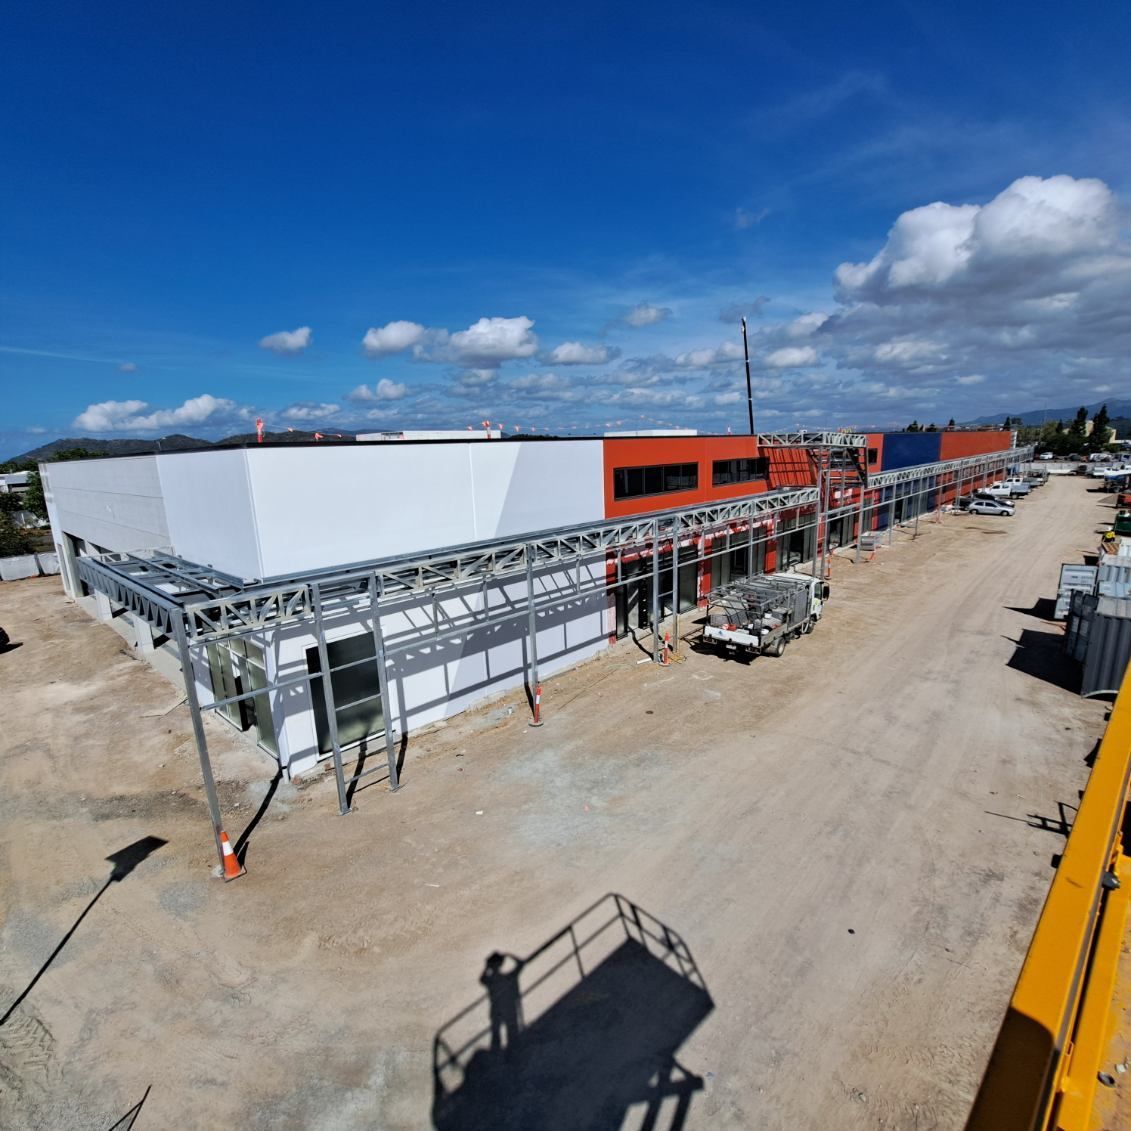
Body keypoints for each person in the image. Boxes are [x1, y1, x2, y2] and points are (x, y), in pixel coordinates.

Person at [479, 951, 525, 1054]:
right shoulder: (507, 977)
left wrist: (487, 967)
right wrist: (508, 955)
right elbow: (521, 964)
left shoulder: (491, 980)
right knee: (510, 1036)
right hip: (507, 1009)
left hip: (497, 1010)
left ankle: (501, 1057)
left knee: (497, 1038)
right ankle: (512, 1057)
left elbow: (482, 979)